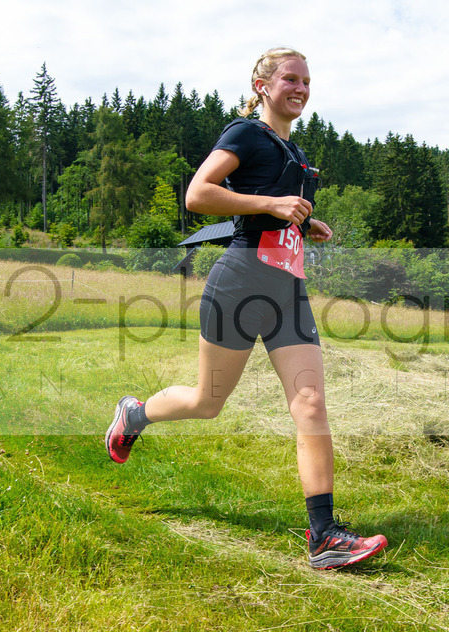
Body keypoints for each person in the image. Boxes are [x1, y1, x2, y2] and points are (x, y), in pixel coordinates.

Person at [106, 47, 387, 570]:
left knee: (311, 403)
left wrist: (302, 223)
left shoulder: (294, 149)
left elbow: (276, 209)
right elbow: (198, 194)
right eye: (290, 79)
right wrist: (271, 205)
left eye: (307, 80)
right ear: (262, 85)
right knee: (207, 401)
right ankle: (135, 414)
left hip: (288, 291)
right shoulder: (244, 134)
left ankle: (324, 535)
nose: (301, 88)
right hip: (239, 285)